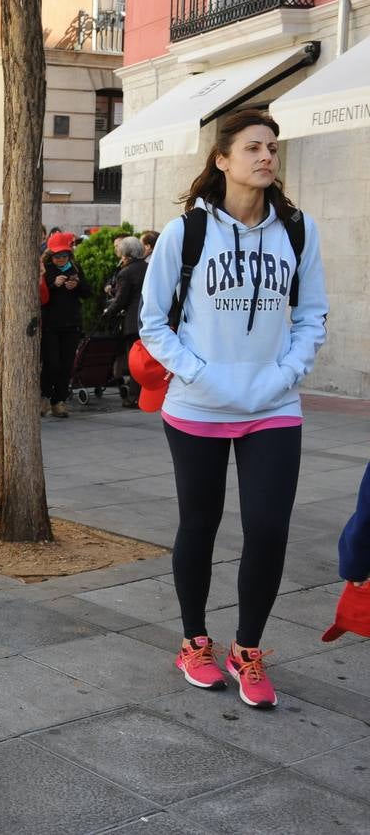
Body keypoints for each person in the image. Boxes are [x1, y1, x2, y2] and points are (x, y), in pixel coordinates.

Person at [138, 109, 328, 710]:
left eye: (273, 147)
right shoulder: (185, 234)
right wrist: (202, 374)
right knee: (201, 522)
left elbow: (312, 314)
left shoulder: (298, 230)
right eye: (253, 147)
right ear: (222, 159)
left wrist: (288, 372)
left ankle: (248, 651)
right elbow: (151, 323)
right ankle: (195, 641)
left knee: (268, 529)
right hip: (197, 405)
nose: (267, 156)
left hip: (274, 404)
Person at [39, 232, 90, 419]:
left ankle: (58, 401)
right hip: (51, 325)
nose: (61, 259)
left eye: (64, 255)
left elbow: (88, 292)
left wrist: (76, 286)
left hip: (72, 324)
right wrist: (53, 284)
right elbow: (40, 296)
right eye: (57, 256)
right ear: (50, 255)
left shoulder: (75, 268)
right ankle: (44, 397)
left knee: (66, 365)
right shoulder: (45, 269)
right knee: (52, 364)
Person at [102, 235, 147, 408]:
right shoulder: (148, 267)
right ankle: (145, 394)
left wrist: (107, 314)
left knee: (135, 360)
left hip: (132, 322)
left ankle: (134, 396)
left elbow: (121, 300)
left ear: (126, 254)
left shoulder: (125, 273)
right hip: (147, 320)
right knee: (146, 360)